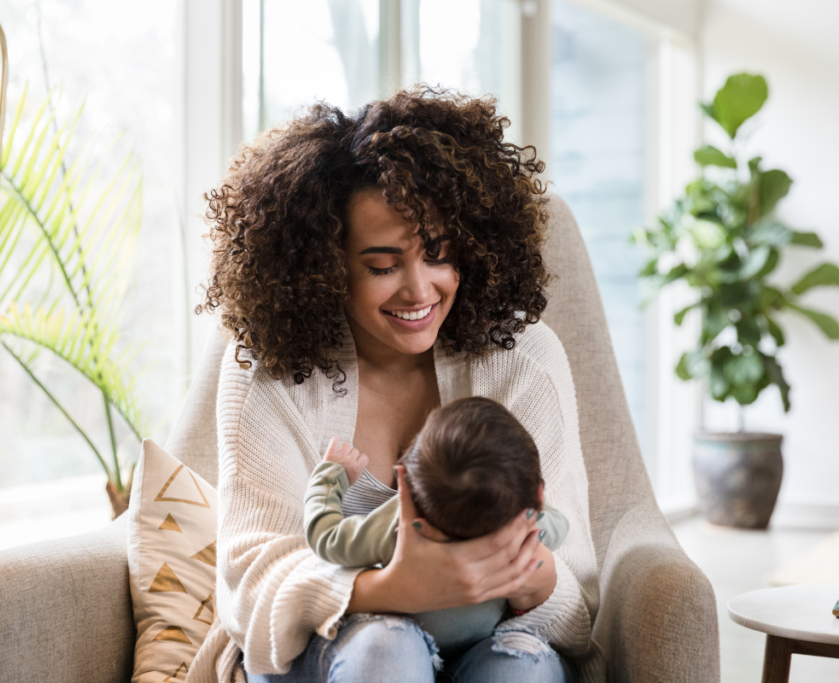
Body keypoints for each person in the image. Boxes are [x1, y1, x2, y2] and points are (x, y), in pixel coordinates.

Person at [195, 87, 604, 683]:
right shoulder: (270, 370)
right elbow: (250, 585)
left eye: (438, 254)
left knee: (522, 670)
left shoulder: (523, 359)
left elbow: (576, 604)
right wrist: (391, 589)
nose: (419, 290)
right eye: (383, 266)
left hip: (491, 638)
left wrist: (519, 573)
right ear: (324, 265)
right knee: (387, 650)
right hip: (329, 648)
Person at [304, 397, 572, 661]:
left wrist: (332, 476)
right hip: (479, 651)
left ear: (407, 476)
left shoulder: (400, 524)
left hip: (402, 648)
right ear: (538, 493)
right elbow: (561, 524)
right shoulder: (521, 532)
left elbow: (325, 536)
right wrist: (524, 497)